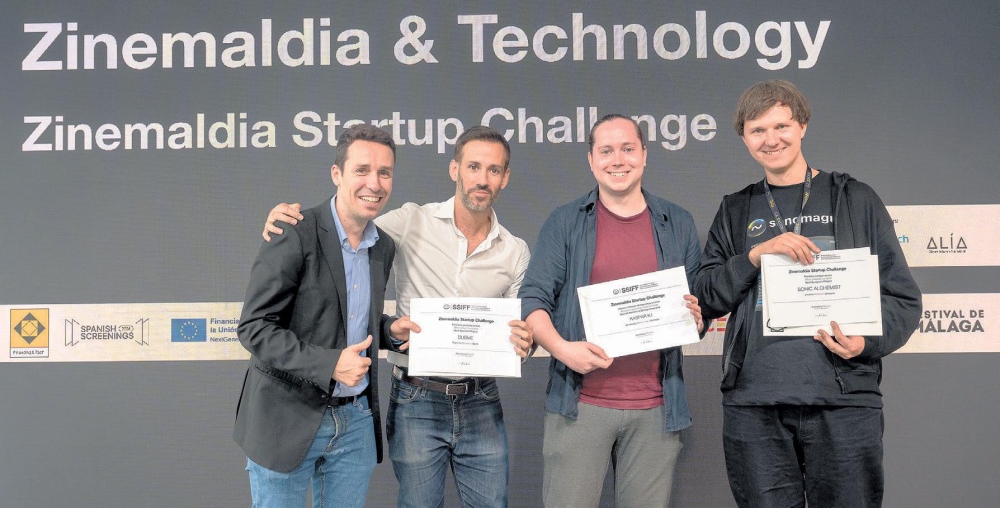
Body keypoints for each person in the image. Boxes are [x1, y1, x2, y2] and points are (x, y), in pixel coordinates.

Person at [263, 125, 534, 508]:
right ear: (454, 169)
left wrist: (524, 343)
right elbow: (344, 227)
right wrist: (292, 221)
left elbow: (519, 333)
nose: (482, 179)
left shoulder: (515, 251)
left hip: (480, 399)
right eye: (473, 166)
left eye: (493, 170)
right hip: (416, 398)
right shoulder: (411, 221)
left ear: (505, 178)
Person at [694, 80, 922, 507]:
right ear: (744, 138)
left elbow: (903, 299)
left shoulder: (855, 199)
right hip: (755, 402)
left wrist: (865, 342)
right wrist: (756, 255)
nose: (771, 139)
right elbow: (706, 296)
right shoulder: (735, 209)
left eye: (781, 126)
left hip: (843, 399)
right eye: (757, 130)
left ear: (802, 126)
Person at [517, 114, 706, 508]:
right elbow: (533, 299)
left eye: (627, 149)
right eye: (606, 151)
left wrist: (695, 317)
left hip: (657, 407)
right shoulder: (565, 222)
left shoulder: (678, 222)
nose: (617, 160)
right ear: (591, 160)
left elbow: (696, 306)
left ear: (644, 155)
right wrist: (563, 350)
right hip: (581, 404)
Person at [234, 124, 413, 508]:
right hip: (286, 419)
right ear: (337, 174)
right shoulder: (294, 231)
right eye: (362, 170)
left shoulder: (383, 246)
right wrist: (330, 364)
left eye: (384, 172)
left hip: (355, 423)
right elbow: (254, 328)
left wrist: (390, 331)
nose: (374, 183)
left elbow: (348, 320)